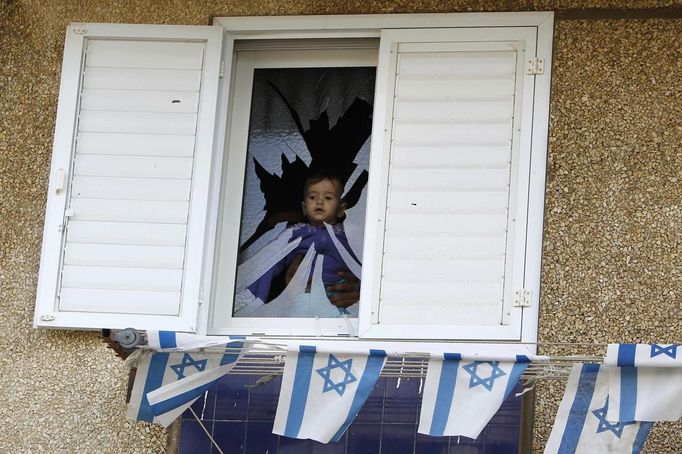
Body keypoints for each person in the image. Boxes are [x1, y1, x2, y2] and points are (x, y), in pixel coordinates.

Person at [237, 171, 360, 317]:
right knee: (269, 268)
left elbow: (355, 262)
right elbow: (272, 256)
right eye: (313, 197)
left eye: (328, 197)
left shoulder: (346, 234)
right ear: (304, 208)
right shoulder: (297, 231)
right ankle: (251, 296)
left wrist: (360, 286)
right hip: (301, 293)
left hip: (334, 297)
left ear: (340, 210)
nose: (319, 202)